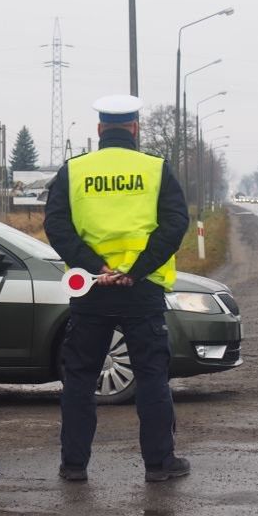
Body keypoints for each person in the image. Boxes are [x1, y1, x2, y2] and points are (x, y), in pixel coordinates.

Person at [43, 94, 191, 483]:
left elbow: (57, 226)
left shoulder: (74, 171)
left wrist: (95, 266)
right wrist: (137, 270)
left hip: (92, 289)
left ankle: (74, 465)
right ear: (135, 128)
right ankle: (160, 465)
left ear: (98, 130)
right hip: (141, 291)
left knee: (78, 378)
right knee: (151, 377)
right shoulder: (156, 169)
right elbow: (174, 225)